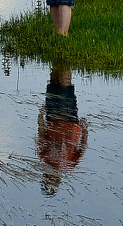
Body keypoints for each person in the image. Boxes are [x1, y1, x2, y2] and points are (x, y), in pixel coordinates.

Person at [36, 62, 88, 194]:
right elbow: (82, 147)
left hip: (52, 116)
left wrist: (40, 117)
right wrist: (85, 130)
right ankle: (65, 59)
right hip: (70, 119)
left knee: (53, 85)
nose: (51, 175)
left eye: (48, 177)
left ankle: (56, 59)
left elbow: (42, 135)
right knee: (65, 85)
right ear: (58, 179)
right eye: (53, 178)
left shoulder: (44, 157)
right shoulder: (70, 164)